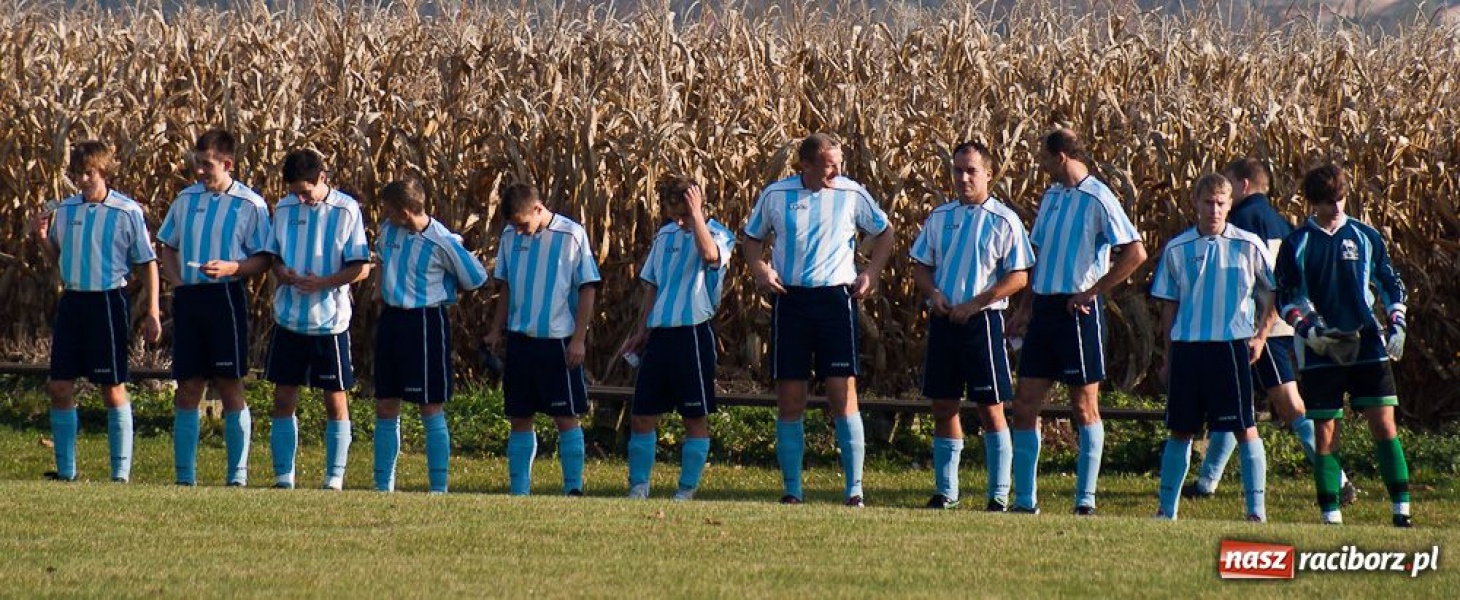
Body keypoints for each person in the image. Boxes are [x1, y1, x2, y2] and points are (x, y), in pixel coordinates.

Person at [1182, 157, 1355, 505]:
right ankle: (1206, 482)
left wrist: (1260, 331)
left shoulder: (1244, 221)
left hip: (1259, 328)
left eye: (1229, 186)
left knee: (1290, 405)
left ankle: (1337, 478)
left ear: (1243, 186)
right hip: (1270, 325)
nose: (1223, 198)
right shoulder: (1280, 221)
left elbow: (1269, 283)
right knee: (1236, 403)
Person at [742, 132, 895, 507]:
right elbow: (750, 239)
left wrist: (871, 273)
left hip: (834, 301)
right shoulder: (776, 195)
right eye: (829, 165)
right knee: (790, 399)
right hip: (790, 301)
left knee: (843, 396)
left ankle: (854, 490)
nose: (837, 171)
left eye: (839, 163)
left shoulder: (851, 193)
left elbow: (885, 230)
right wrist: (760, 269)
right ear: (805, 165)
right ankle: (792, 490)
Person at [1006, 128, 1147, 515]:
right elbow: (1039, 255)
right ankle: (1024, 499)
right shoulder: (1051, 196)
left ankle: (1085, 499)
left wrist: (1094, 291)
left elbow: (1135, 252)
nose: (1040, 164)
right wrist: (1024, 308)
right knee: (1024, 402)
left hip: (1077, 313)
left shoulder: (1098, 197)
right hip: (1044, 312)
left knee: (1084, 407)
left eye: (1044, 157)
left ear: (1061, 156)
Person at [1275, 163, 1412, 527]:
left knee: (1384, 424)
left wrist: (1397, 323)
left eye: (1340, 199)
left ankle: (1402, 511)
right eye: (1326, 201)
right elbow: (1287, 299)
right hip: (1322, 347)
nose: (1336, 208)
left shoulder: (1365, 236)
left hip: (1367, 343)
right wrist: (1310, 331)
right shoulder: (1297, 244)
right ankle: (1330, 514)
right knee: (1326, 430)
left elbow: (1390, 283)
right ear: (1311, 202)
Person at [910, 141, 1033, 511]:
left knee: (990, 407)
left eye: (971, 171)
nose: (963, 178)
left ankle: (998, 495)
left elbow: (1020, 275)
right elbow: (920, 264)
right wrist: (934, 294)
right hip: (945, 322)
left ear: (988, 175)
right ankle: (947, 491)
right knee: (943, 405)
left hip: (984, 323)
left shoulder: (1004, 219)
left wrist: (976, 303)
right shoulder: (940, 217)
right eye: (958, 170)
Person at [30, 140, 162, 482]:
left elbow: (147, 263)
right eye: (77, 174)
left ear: (103, 171)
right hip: (73, 302)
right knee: (59, 386)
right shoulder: (66, 210)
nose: (83, 180)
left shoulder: (126, 211)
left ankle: (120, 473)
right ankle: (66, 471)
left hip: (107, 301)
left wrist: (153, 310)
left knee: (111, 387)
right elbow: (59, 260)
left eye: (88, 173)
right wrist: (43, 238)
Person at [1151, 174, 1273, 522]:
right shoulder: (1178, 249)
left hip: (1229, 348)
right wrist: (1168, 356)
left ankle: (1256, 511)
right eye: (1208, 202)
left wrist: (1261, 335)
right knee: (1181, 429)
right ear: (1196, 203)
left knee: (1244, 426)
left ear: (1230, 205)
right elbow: (1168, 305)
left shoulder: (1249, 245)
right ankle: (1166, 510)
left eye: (1221, 203)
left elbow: (1274, 290)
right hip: (1189, 349)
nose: (1214, 209)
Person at [157, 129, 272, 487]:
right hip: (191, 299)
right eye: (197, 164)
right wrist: (177, 283)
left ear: (227, 163)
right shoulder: (185, 200)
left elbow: (264, 257)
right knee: (188, 386)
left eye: (207, 165)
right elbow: (166, 245)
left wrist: (232, 268)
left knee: (229, 384)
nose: (201, 172)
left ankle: (237, 475)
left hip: (226, 298)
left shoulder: (250, 205)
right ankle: (184, 476)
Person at [619, 176, 736, 501]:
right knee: (642, 415)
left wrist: (696, 217)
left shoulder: (718, 234)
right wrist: (642, 330)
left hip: (693, 336)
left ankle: (686, 489)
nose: (679, 222)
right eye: (675, 215)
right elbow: (653, 284)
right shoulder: (665, 234)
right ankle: (639, 487)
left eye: (684, 214)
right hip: (660, 336)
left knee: (694, 416)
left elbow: (710, 256)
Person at [371, 179, 489, 493]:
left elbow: (476, 277)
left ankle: (439, 486)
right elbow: (380, 258)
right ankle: (383, 484)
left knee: (429, 405)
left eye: (388, 209)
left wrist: (444, 288)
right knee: (385, 403)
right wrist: (380, 289)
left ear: (405, 212)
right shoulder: (389, 231)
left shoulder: (442, 241)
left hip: (424, 322)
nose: (384, 214)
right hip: (392, 320)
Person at [263, 149, 372, 490]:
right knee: (283, 397)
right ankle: (284, 477)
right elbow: (273, 257)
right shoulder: (284, 208)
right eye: (295, 191)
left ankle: (334, 477)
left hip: (330, 322)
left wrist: (322, 283)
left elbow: (361, 267)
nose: (300, 197)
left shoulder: (346, 210)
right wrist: (284, 273)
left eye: (305, 190)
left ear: (322, 177)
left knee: (335, 398)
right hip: (289, 319)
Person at [485, 183, 600, 496]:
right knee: (520, 416)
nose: (520, 231)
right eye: (514, 226)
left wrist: (578, 340)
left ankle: (573, 488)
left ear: (538, 208)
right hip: (521, 341)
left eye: (523, 224)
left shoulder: (571, 235)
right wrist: (497, 329)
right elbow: (505, 285)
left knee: (566, 416)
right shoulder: (510, 236)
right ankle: (519, 489)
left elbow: (587, 287)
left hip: (557, 341)